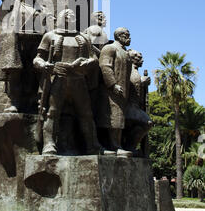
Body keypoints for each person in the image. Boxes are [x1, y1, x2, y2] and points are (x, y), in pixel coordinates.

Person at [33, 9, 103, 155]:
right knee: (52, 112)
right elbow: (37, 58)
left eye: (72, 15)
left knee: (86, 113)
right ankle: (49, 145)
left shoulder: (83, 37)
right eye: (66, 15)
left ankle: (92, 145)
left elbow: (94, 59)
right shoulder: (50, 36)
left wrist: (87, 62)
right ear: (60, 18)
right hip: (58, 77)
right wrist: (43, 64)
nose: (70, 17)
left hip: (78, 79)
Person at [0, 0, 46, 113]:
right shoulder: (15, 6)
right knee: (16, 73)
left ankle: (31, 101)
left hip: (36, 42)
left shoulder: (40, 8)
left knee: (32, 73)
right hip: (19, 42)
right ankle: (15, 102)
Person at [98, 27, 133, 156]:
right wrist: (112, 84)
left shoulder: (125, 52)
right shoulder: (110, 48)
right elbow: (105, 66)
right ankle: (113, 146)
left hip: (123, 91)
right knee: (113, 119)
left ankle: (117, 145)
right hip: (111, 91)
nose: (129, 38)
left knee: (119, 119)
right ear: (119, 36)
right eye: (127, 35)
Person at [122, 50, 153, 156]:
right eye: (139, 58)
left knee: (144, 125)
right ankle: (129, 147)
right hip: (128, 106)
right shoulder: (127, 70)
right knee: (147, 122)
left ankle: (130, 147)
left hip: (136, 106)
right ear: (132, 59)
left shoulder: (135, 71)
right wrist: (141, 81)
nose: (142, 60)